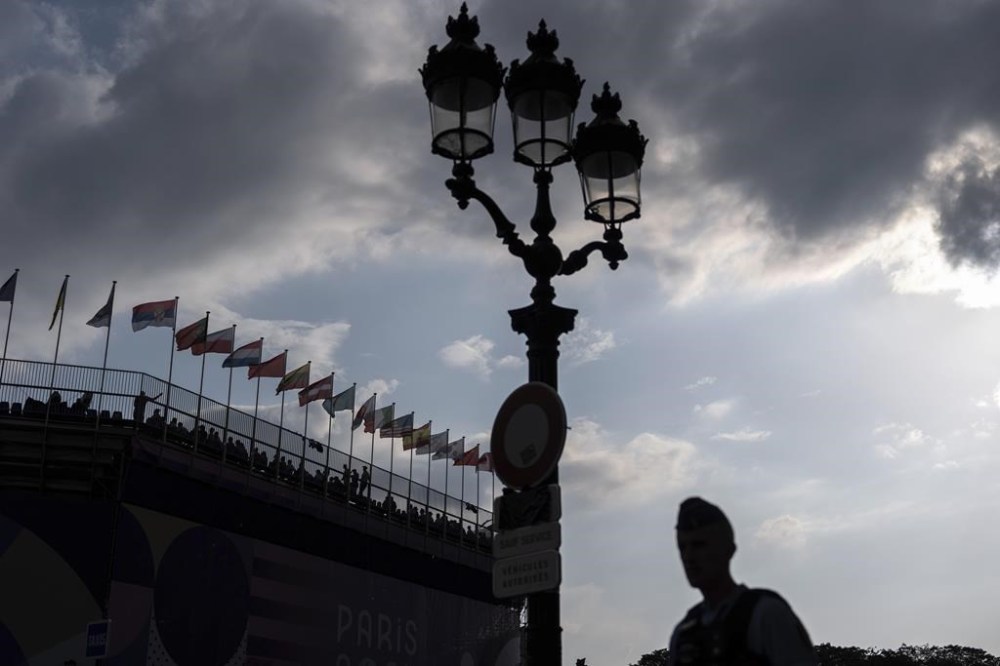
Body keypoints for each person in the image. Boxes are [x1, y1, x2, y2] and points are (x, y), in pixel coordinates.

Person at [668, 497, 816, 666]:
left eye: (699, 545)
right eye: (682, 547)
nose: (689, 557)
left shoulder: (765, 614)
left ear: (728, 550)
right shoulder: (683, 635)